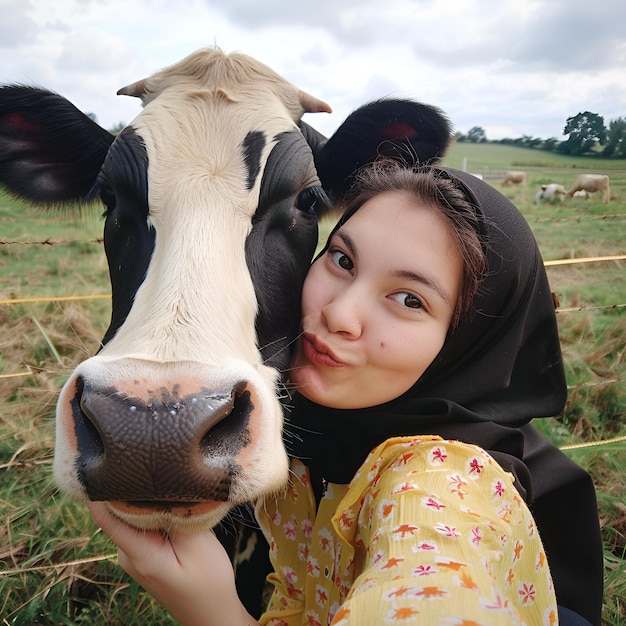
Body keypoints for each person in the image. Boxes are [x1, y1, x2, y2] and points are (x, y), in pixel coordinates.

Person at [89, 160, 603, 625]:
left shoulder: (442, 490)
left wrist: (213, 611)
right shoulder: (302, 417)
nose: (339, 314)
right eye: (342, 260)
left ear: (470, 344)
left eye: (409, 299)